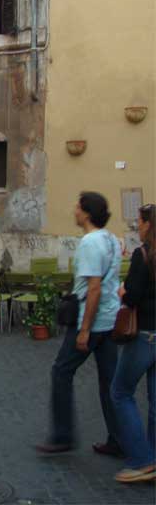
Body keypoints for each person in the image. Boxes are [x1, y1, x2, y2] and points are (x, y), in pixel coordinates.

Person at [37, 191, 122, 455]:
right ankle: (118, 439)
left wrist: (84, 330)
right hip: (110, 319)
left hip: (91, 321)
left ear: (86, 212)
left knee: (61, 372)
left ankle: (63, 435)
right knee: (109, 382)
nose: (74, 210)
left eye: (77, 206)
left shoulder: (89, 243)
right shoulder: (111, 240)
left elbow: (93, 288)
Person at [110, 203, 156, 483]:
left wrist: (122, 290)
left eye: (139, 222)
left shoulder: (143, 255)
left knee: (120, 392)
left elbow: (132, 296)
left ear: (149, 225)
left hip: (145, 334)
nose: (137, 226)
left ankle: (141, 459)